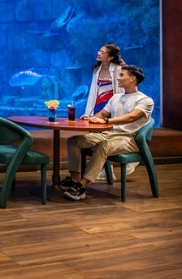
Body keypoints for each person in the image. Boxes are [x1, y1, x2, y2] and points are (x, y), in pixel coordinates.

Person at [62, 65, 154, 201]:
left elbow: (131, 117)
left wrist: (105, 121)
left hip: (129, 139)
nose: (118, 78)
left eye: (121, 75)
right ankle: (74, 180)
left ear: (133, 78)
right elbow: (102, 113)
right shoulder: (116, 97)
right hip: (109, 134)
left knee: (103, 145)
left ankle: (82, 187)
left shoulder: (145, 100)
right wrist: (91, 118)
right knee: (74, 141)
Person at [82, 43, 138, 179]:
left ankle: (109, 170)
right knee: (96, 138)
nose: (99, 53)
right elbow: (93, 92)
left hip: (112, 108)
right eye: (99, 50)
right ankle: (103, 170)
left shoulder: (118, 70)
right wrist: (88, 113)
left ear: (110, 57)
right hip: (99, 106)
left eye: (103, 52)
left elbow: (125, 89)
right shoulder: (97, 69)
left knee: (109, 138)